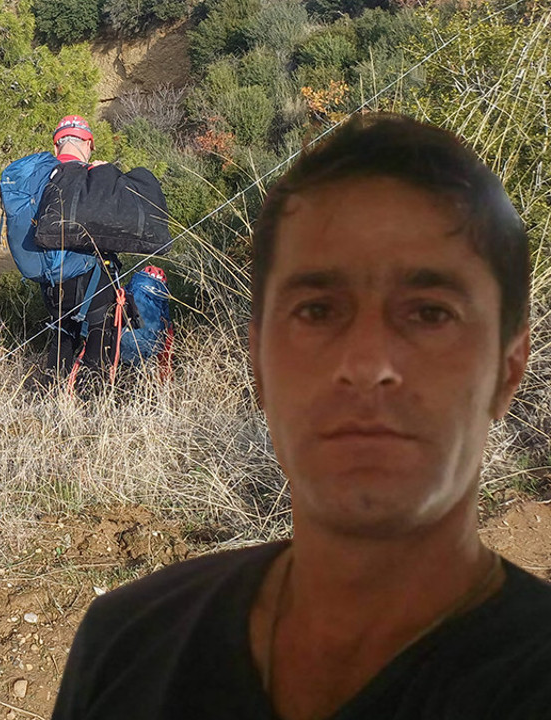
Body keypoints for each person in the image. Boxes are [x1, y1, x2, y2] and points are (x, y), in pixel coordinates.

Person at [51, 113, 551, 719]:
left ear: (509, 366)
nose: (366, 366)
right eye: (317, 310)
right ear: (259, 364)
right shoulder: (124, 645)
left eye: (430, 313)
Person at [40, 115, 121, 381]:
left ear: (56, 147)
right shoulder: (94, 176)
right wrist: (107, 175)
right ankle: (93, 403)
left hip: (53, 277)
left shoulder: (43, 177)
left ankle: (51, 397)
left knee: (62, 335)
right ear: (88, 144)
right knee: (98, 337)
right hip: (93, 277)